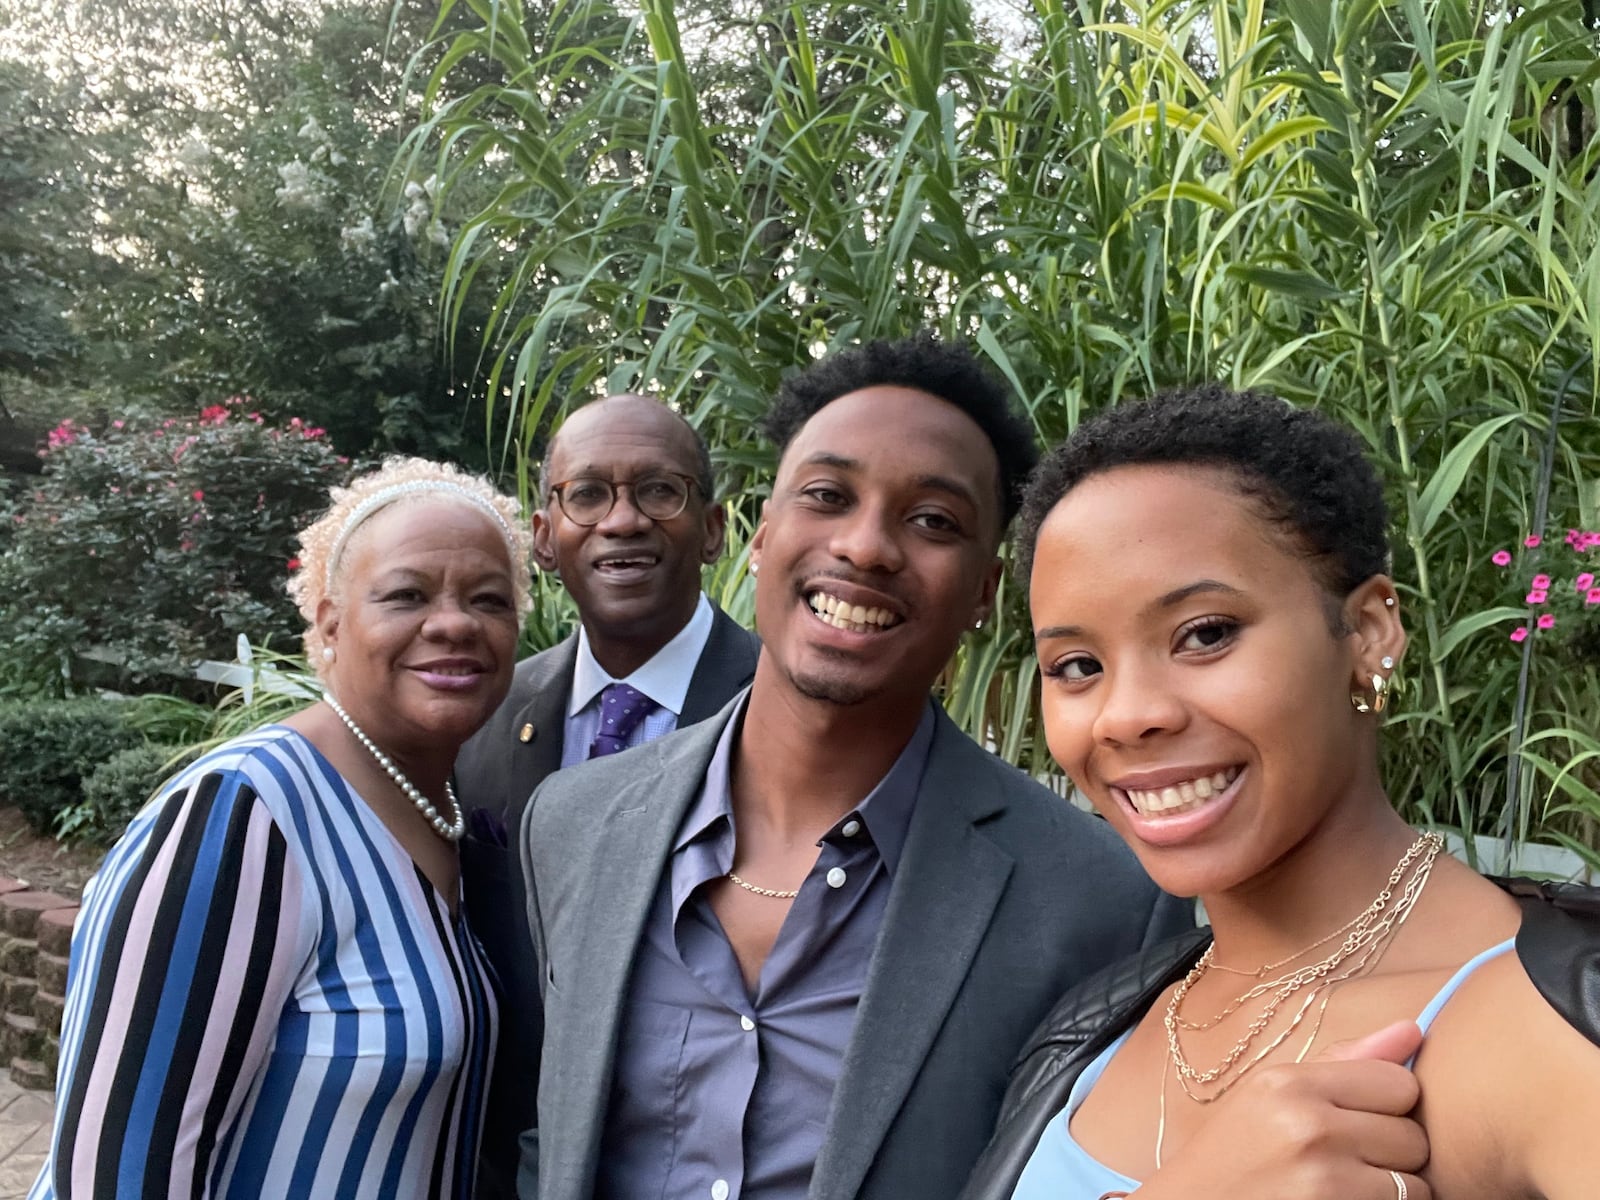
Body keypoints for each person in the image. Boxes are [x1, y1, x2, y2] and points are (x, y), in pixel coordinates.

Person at [519, 332, 1194, 1200]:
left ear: (987, 590)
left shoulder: (1103, 902)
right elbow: (556, 1128)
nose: (868, 546)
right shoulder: (573, 823)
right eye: (828, 495)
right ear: (761, 533)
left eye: (933, 521)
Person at [962, 385, 1600, 1200]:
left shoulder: (1539, 1040)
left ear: (1368, 633)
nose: (1127, 717)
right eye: (1077, 666)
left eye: (1205, 634)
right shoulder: (1094, 1030)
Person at [30, 457, 533, 1200]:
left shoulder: (443, 811)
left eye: (488, 599)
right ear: (330, 623)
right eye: (406, 594)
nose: (455, 622)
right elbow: (112, 1173)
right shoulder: (245, 813)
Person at [452, 394, 760, 1198]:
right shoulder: (482, 718)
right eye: (588, 494)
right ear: (546, 538)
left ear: (714, 526)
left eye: (659, 490)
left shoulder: (790, 710)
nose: (622, 521)